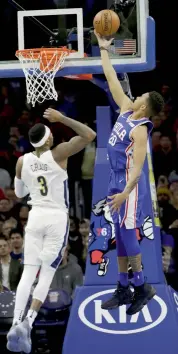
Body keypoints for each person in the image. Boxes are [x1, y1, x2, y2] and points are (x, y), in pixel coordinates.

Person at [7, 109, 96, 353]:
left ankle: (16, 322)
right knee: (46, 273)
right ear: (48, 139)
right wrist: (63, 119)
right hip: (56, 217)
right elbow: (89, 134)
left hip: (34, 217)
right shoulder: (58, 154)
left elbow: (19, 194)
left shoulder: (21, 161)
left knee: (28, 273)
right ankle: (29, 323)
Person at [94, 31, 164, 315]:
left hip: (130, 187)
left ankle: (142, 285)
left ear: (144, 106)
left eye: (141, 95)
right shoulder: (125, 109)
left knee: (128, 234)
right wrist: (103, 50)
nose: (136, 95)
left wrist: (124, 193)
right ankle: (123, 287)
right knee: (119, 236)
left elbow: (138, 169)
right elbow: (112, 81)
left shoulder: (140, 130)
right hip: (115, 181)